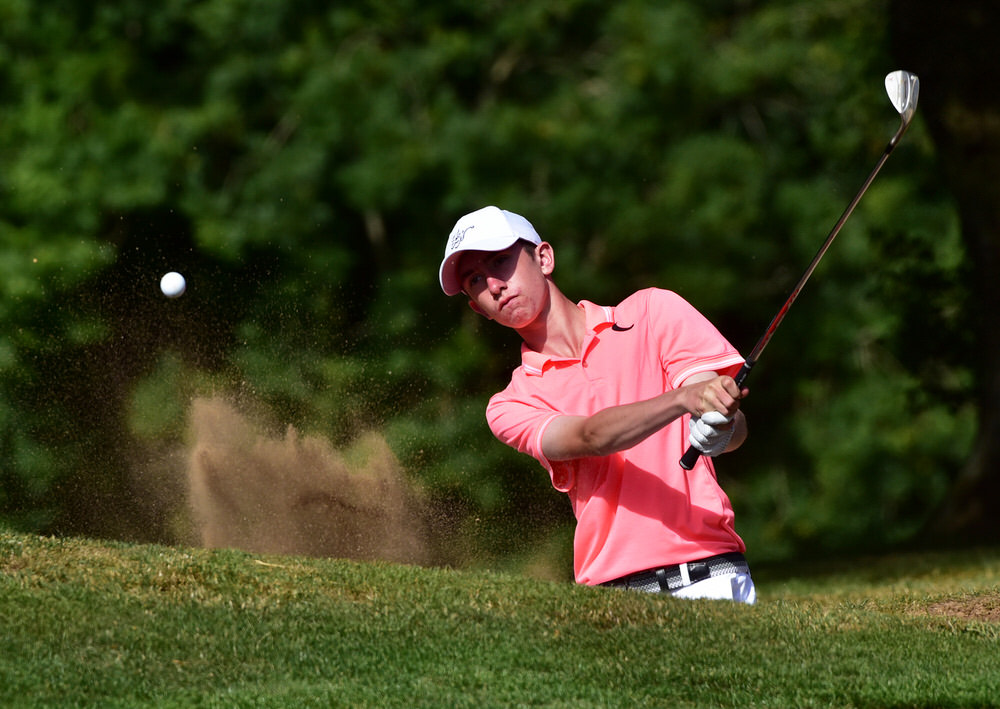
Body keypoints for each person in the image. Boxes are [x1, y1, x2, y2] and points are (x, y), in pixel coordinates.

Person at [439, 205, 755, 603]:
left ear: (544, 258)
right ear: (476, 307)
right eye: (476, 281)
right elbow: (590, 436)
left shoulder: (654, 312)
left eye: (500, 262)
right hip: (611, 596)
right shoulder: (509, 404)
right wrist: (682, 399)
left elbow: (729, 419)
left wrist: (722, 428)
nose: (495, 285)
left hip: (712, 574)